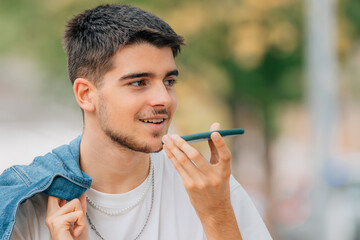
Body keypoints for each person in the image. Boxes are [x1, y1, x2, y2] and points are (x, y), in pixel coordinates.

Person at [1, 4, 272, 240]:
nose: (163, 99)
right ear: (86, 95)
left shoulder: (209, 191)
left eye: (169, 81)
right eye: (139, 82)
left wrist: (218, 216)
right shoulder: (26, 208)